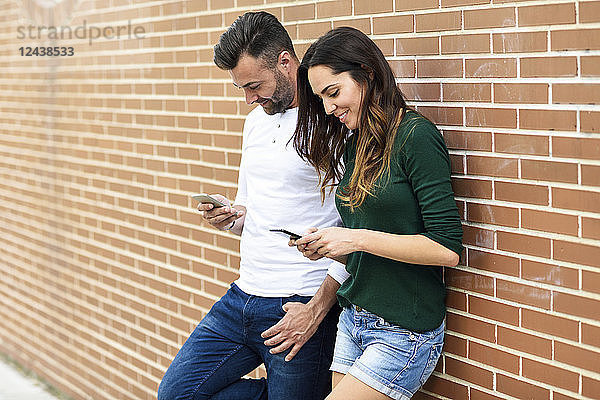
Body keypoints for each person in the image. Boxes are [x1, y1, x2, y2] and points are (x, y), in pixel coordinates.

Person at [157, 12, 350, 400]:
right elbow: (253, 209)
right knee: (176, 394)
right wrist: (231, 218)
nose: (249, 98)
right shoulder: (255, 123)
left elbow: (358, 225)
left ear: (284, 62)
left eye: (254, 85)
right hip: (242, 296)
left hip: (299, 302)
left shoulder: (334, 121)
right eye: (241, 88)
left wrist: (316, 309)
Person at [291, 27, 464, 400]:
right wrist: (330, 245)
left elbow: (446, 247)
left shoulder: (416, 137)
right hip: (354, 317)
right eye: (321, 97)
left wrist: (353, 238)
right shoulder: (356, 143)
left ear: (367, 74)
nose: (327, 108)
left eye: (333, 93)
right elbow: (367, 234)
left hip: (404, 330)